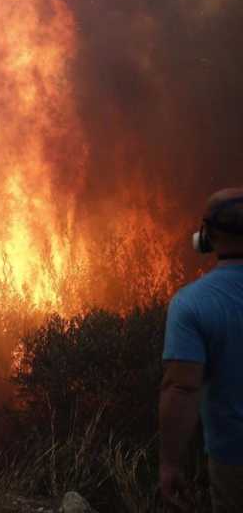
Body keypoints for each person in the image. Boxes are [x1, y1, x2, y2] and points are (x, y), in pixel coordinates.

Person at [161, 188, 243, 512]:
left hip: (233, 461)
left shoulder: (192, 303)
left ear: (206, 236)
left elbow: (182, 387)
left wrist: (169, 465)